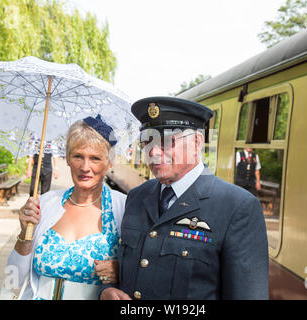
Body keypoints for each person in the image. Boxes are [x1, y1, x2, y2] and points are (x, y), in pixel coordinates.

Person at [100, 96, 269, 300]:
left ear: (196, 143)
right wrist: (108, 291)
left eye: (166, 141)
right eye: (147, 141)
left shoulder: (236, 207)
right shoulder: (137, 197)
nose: (153, 151)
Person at [6, 115, 126, 300]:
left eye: (95, 158)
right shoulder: (45, 204)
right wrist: (25, 235)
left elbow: (147, 270)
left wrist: (123, 269)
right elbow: (13, 279)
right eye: (78, 156)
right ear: (68, 158)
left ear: (109, 163)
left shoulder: (124, 208)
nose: (85, 167)